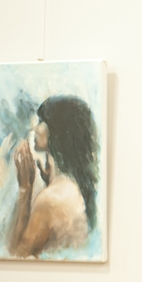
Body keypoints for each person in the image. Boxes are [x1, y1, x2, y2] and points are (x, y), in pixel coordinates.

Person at [8, 95, 98, 257]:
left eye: (42, 121)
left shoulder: (50, 200)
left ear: (58, 129)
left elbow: (16, 256)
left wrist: (25, 190)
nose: (35, 128)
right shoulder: (69, 187)